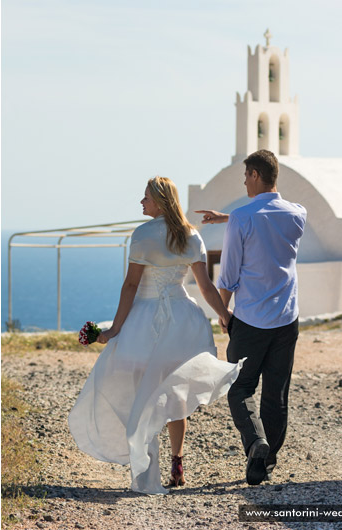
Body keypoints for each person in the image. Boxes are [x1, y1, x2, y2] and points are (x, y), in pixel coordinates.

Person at [69, 176, 244, 494]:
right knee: (174, 395)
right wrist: (224, 316)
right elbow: (204, 287)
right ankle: (177, 461)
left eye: (146, 196)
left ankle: (148, 470)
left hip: (144, 323)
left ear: (161, 201)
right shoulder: (191, 235)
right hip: (182, 321)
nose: (141, 201)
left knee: (142, 395)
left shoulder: (142, 235)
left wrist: (115, 329)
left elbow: (131, 286)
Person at [196, 149, 306, 486]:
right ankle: (265, 462)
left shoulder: (243, 218)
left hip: (250, 319)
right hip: (287, 319)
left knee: (240, 388)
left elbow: (228, 275)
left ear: (256, 175)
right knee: (277, 393)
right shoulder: (298, 214)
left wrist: (222, 313)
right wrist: (230, 217)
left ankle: (255, 442)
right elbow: (268, 218)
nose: (244, 181)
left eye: (246, 175)